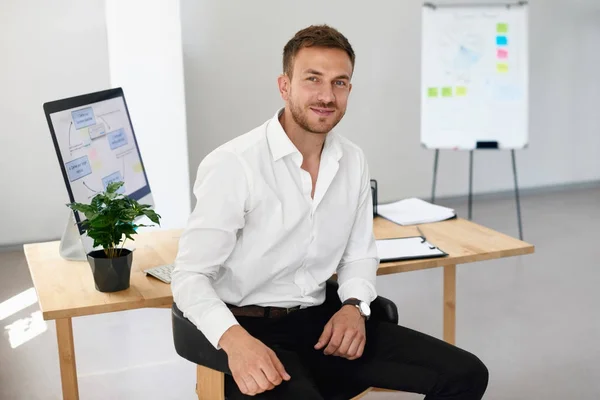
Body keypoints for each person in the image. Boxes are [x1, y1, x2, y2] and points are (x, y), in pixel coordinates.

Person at [171, 24, 489, 400]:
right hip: (250, 331)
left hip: (321, 324)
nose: (326, 95)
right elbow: (190, 278)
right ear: (284, 85)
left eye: (340, 83)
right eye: (313, 79)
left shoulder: (352, 160)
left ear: (349, 90)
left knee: (466, 375)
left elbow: (359, 254)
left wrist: (355, 304)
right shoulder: (234, 164)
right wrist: (235, 343)